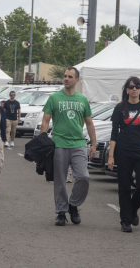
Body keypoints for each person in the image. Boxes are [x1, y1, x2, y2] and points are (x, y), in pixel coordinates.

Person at [40, 67, 96, 226]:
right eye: (65, 76)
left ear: (76, 80)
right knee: (60, 181)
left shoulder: (82, 99)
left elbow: (90, 122)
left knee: (83, 177)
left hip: (78, 143)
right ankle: (61, 212)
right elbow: (45, 120)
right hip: (59, 144)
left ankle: (73, 204)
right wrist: (43, 142)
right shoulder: (54, 98)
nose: (66, 79)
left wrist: (93, 144)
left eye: (70, 77)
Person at [107, 76, 140, 233]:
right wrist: (111, 156)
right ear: (126, 89)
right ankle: (125, 220)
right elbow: (114, 133)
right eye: (131, 86)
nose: (134, 89)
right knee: (124, 187)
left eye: (137, 86)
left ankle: (133, 210)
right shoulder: (120, 108)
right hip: (123, 152)